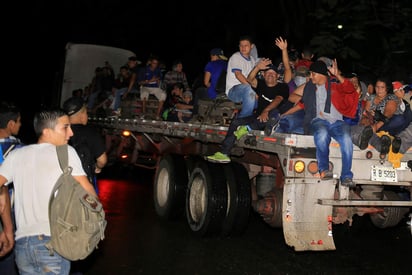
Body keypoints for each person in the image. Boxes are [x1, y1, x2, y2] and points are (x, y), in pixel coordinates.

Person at [0, 108, 97, 274]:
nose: (71, 133)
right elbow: (88, 193)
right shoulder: (66, 153)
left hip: (23, 246)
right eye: (65, 127)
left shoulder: (16, 155)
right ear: (46, 131)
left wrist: (6, 228)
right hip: (52, 244)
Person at [206, 59, 289, 163]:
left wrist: (266, 110)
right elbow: (250, 79)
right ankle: (224, 153)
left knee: (274, 113)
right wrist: (257, 67)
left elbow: (278, 99)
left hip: (273, 120)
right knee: (236, 122)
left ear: (277, 76)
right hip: (258, 117)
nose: (270, 75)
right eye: (268, 73)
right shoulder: (261, 84)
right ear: (263, 75)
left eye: (273, 73)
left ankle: (248, 128)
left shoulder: (283, 87)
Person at [296, 60, 359, 187]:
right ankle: (324, 169)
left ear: (321, 74)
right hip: (319, 121)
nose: (311, 76)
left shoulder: (335, 84)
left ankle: (346, 176)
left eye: (313, 74)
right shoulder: (310, 86)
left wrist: (338, 75)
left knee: (347, 140)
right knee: (322, 133)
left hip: (337, 122)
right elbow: (303, 104)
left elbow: (350, 90)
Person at [63, 96, 108, 194]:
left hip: (62, 184)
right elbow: (102, 160)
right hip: (83, 185)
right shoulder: (90, 132)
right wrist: (98, 167)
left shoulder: (59, 131)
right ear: (82, 114)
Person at [0, 101, 23, 275]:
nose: (21, 125)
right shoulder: (19, 149)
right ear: (10, 124)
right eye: (19, 121)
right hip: (9, 210)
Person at [225, 35, 259, 118]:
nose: (243, 48)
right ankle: (242, 120)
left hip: (247, 90)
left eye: (246, 45)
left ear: (252, 46)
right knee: (249, 89)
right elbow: (238, 75)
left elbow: (253, 78)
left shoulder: (252, 60)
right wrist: (254, 90)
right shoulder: (236, 57)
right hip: (233, 91)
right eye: (241, 45)